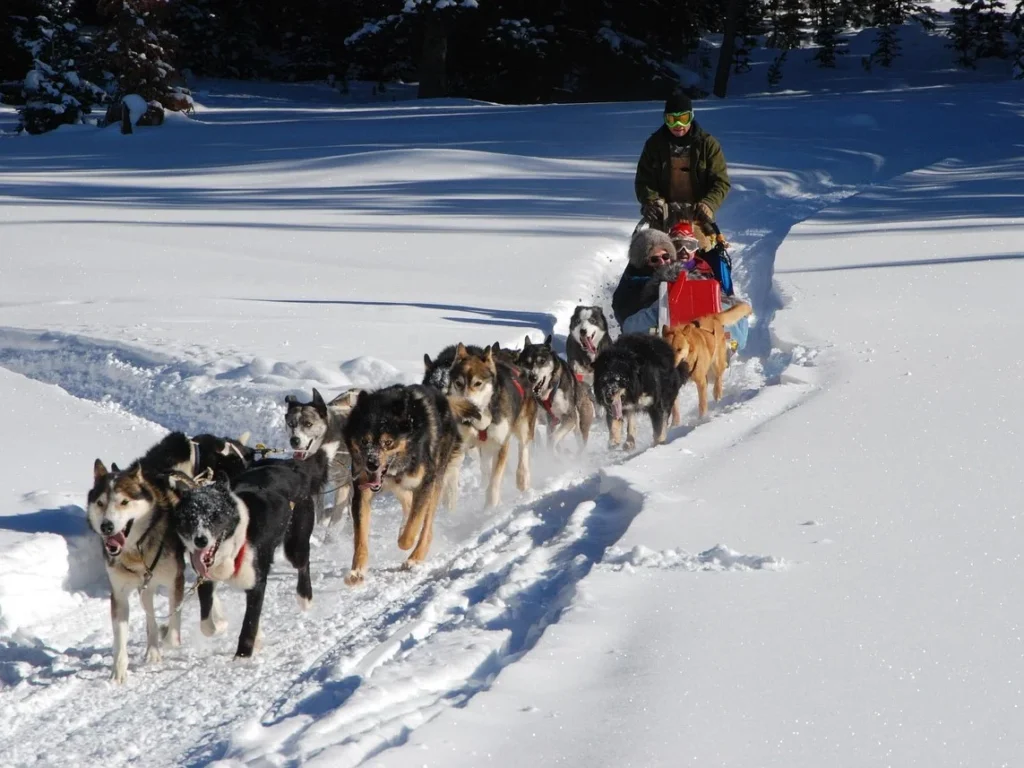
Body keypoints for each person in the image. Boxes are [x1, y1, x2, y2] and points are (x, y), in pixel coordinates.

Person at [634, 91, 731, 234]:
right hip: (663, 214)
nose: (678, 125)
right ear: (665, 119)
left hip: (697, 215)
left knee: (698, 252)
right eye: (672, 119)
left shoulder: (707, 144)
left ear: (691, 117)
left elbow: (721, 182)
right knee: (657, 252)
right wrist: (651, 201)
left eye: (683, 118)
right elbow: (644, 180)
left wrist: (708, 204)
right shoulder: (654, 144)